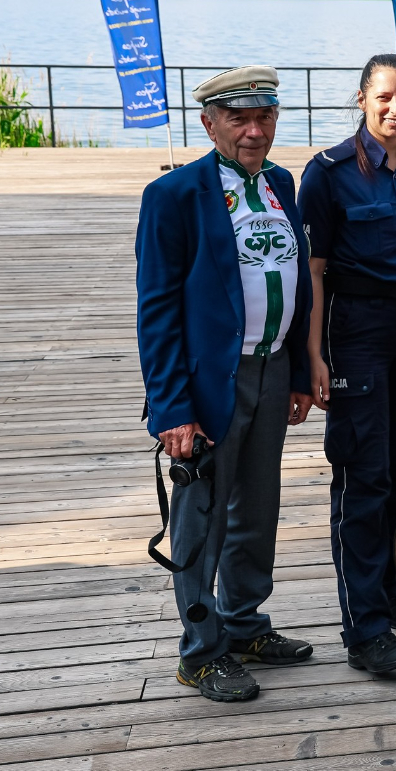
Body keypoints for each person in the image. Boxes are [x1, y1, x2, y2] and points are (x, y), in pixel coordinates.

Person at [136, 65, 315, 702]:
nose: (254, 130)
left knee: (257, 509)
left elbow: (295, 280)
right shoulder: (175, 195)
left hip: (271, 369)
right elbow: (156, 310)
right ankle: (200, 649)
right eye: (239, 119)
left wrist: (298, 371)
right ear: (209, 124)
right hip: (211, 380)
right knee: (201, 518)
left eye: (265, 117)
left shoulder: (280, 184)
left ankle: (244, 624)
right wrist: (171, 409)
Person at [298, 54, 396, 673]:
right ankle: (364, 631)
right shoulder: (329, 174)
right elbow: (315, 273)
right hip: (359, 332)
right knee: (362, 477)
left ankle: (389, 593)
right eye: (384, 97)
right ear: (362, 99)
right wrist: (314, 354)